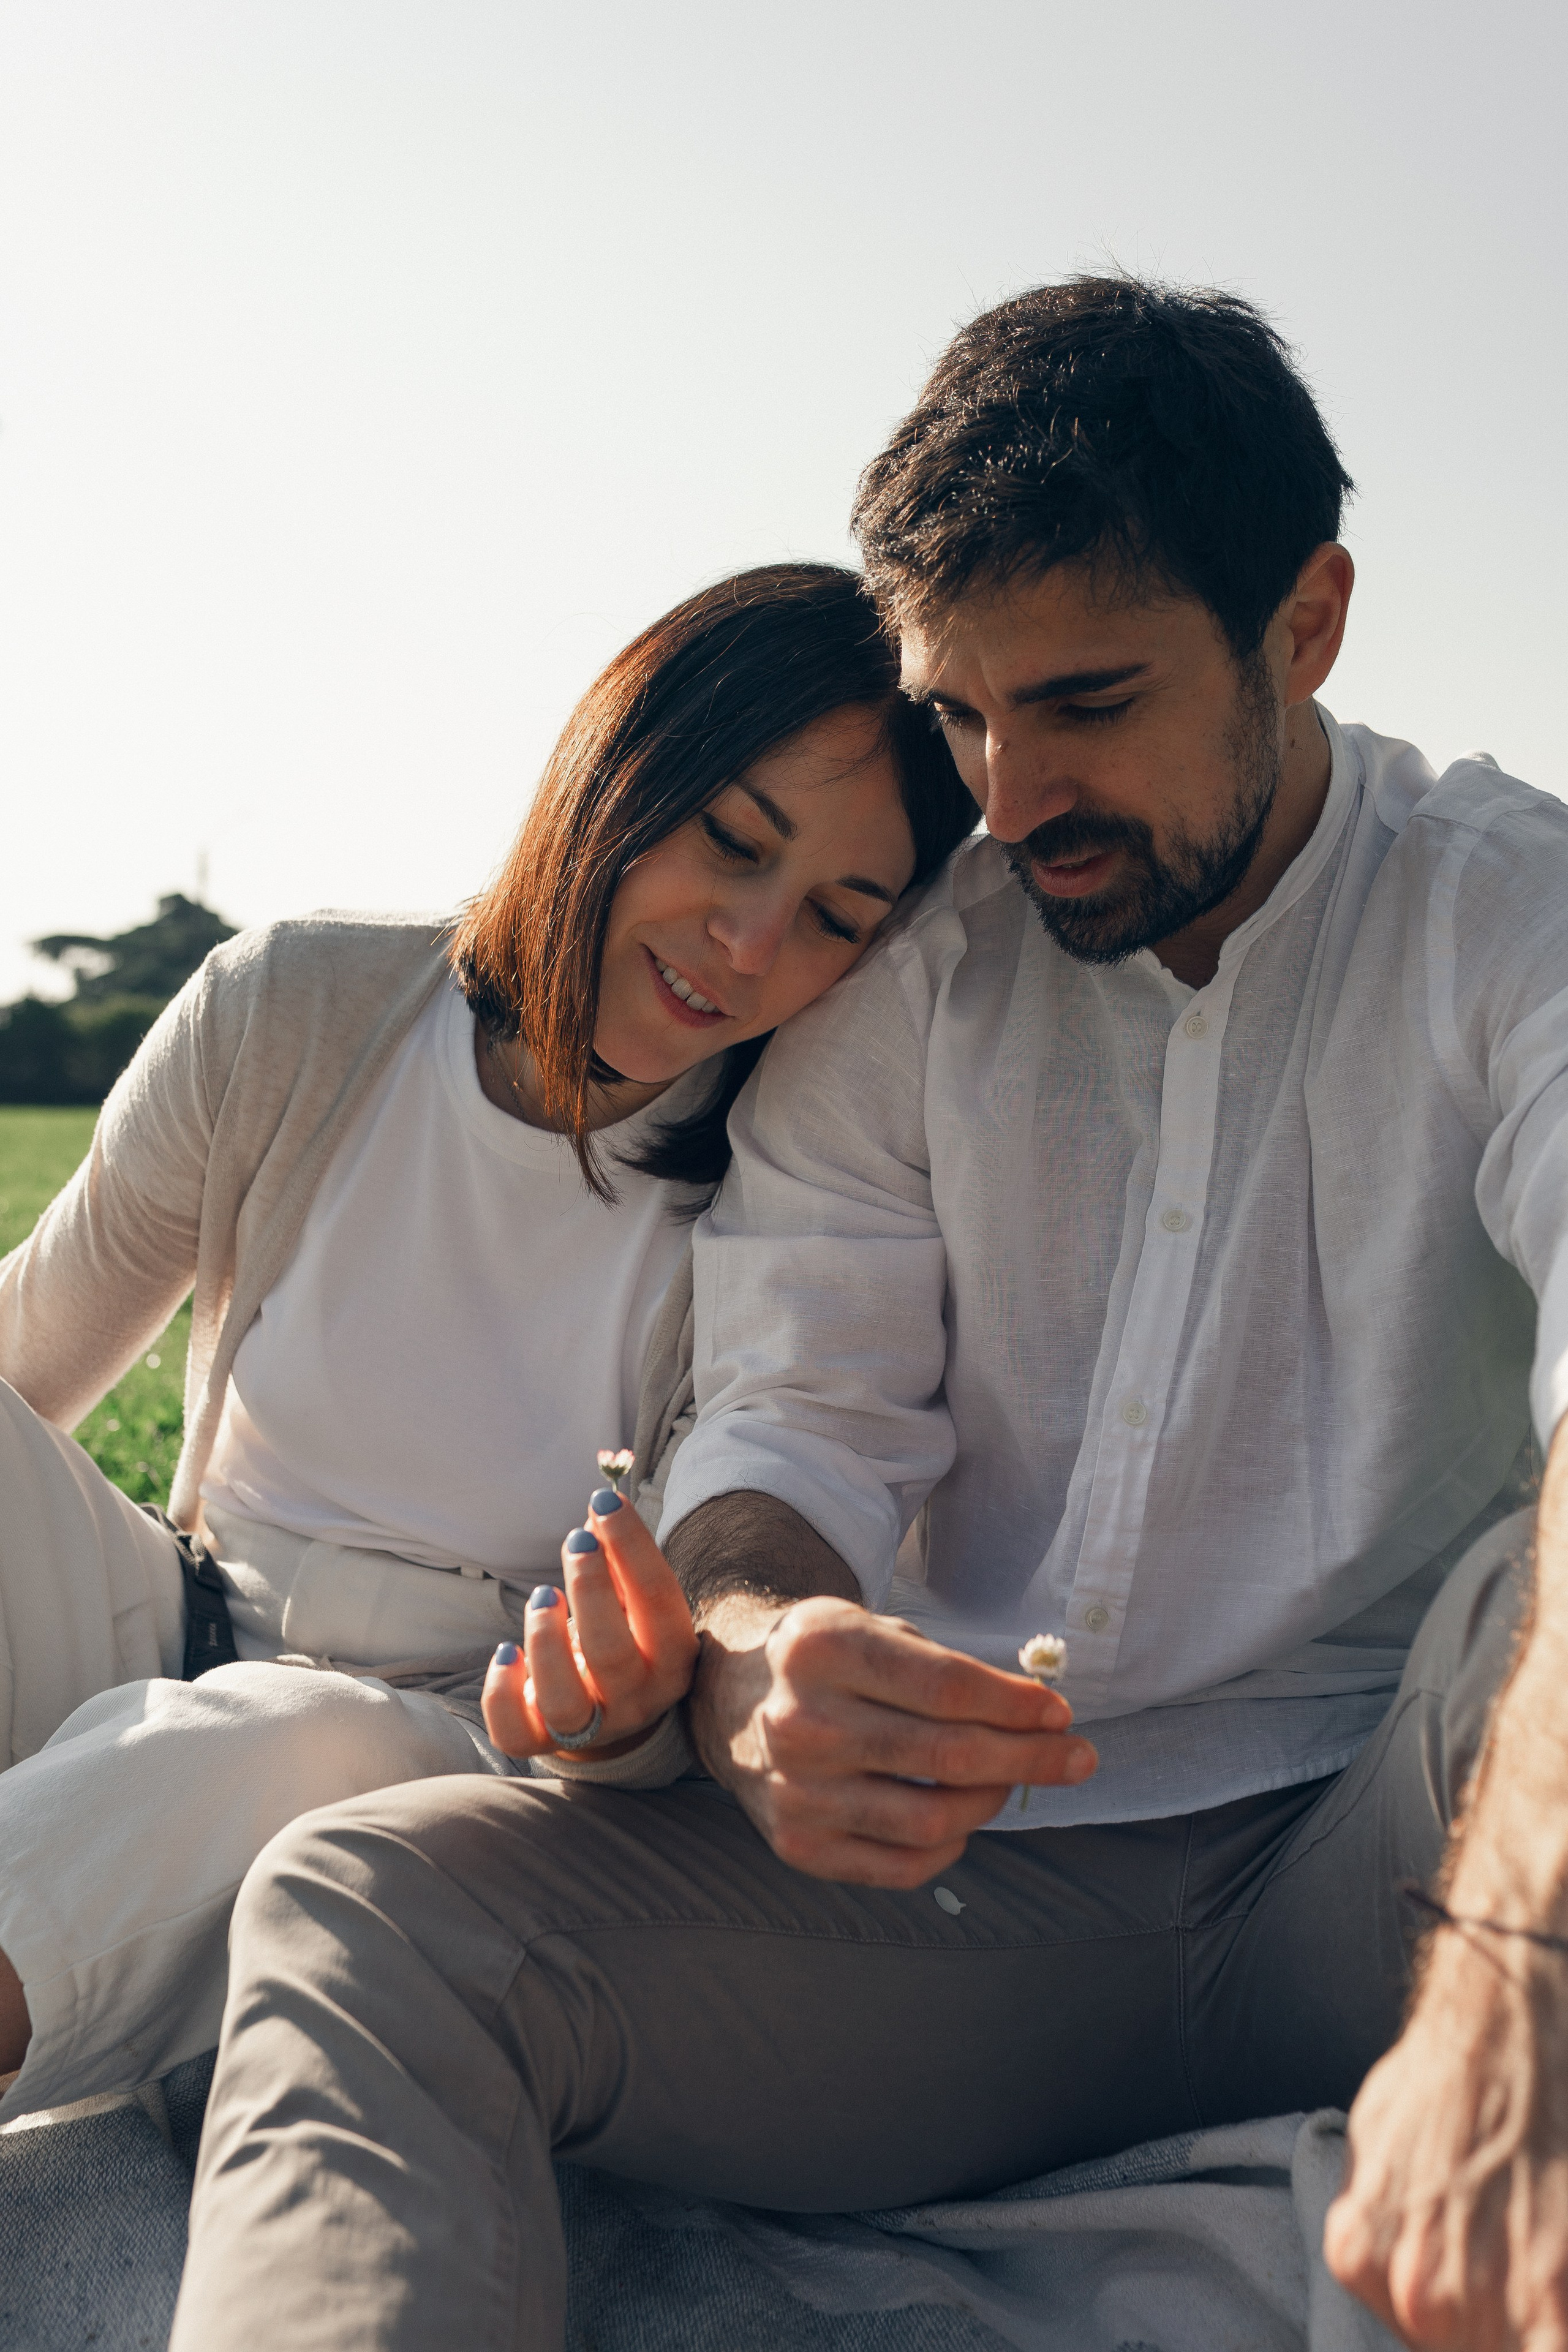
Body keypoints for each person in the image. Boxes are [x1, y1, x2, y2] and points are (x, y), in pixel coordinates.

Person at [172, 280, 1568, 2352]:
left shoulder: (1505, 909)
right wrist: (746, 1652)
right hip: (948, 1910)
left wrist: (1509, 2001)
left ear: (1308, 624)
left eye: (1086, 702)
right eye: (956, 714)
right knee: (361, 1909)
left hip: (1388, 1857)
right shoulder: (918, 964)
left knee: (1523, 1612)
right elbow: (791, 1425)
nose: (1003, 801)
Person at [0, 561, 976, 2117]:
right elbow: (24, 1368)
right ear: (615, 759)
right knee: (204, 1719)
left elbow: (676, 1683)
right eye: (729, 840)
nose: (744, 943)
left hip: (431, 1752)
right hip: (167, 1624)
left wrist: (617, 1717)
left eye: (831, 920)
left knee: (277, 1747)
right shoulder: (297, 1010)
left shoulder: (797, 1198)